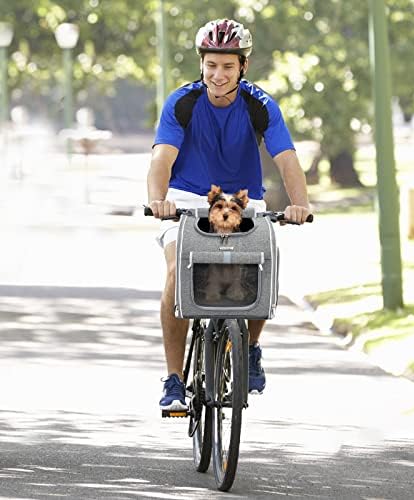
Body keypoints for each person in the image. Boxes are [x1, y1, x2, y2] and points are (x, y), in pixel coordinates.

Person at [147, 18, 312, 412]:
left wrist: (299, 204)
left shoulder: (261, 105)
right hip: (187, 197)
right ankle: (174, 378)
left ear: (243, 67)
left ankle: (250, 347)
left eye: (227, 66)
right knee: (177, 272)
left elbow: (287, 161)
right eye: (211, 65)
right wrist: (158, 200)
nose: (218, 75)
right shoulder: (182, 102)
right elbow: (161, 160)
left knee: (263, 263)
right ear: (201, 64)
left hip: (243, 201)